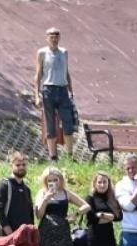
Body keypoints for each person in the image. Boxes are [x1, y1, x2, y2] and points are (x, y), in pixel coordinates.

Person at [34, 28, 75, 161]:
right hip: (48, 89)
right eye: (51, 36)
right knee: (50, 124)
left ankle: (70, 155)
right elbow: (38, 74)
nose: (54, 39)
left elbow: (66, 71)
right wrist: (37, 94)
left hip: (62, 90)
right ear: (47, 38)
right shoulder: (42, 53)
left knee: (68, 123)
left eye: (56, 36)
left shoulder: (64, 52)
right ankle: (53, 156)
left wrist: (70, 89)